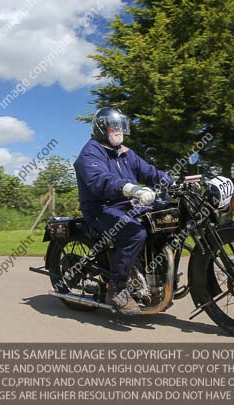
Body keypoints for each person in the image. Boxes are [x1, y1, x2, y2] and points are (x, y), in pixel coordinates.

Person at [73, 107, 174, 315]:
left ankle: (154, 276)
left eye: (120, 126)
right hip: (100, 208)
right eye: (114, 126)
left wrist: (173, 181)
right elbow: (100, 181)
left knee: (162, 221)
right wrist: (131, 188)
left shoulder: (126, 153)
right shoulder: (90, 152)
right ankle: (117, 287)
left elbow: (150, 172)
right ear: (102, 128)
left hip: (126, 205)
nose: (118, 130)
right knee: (134, 232)